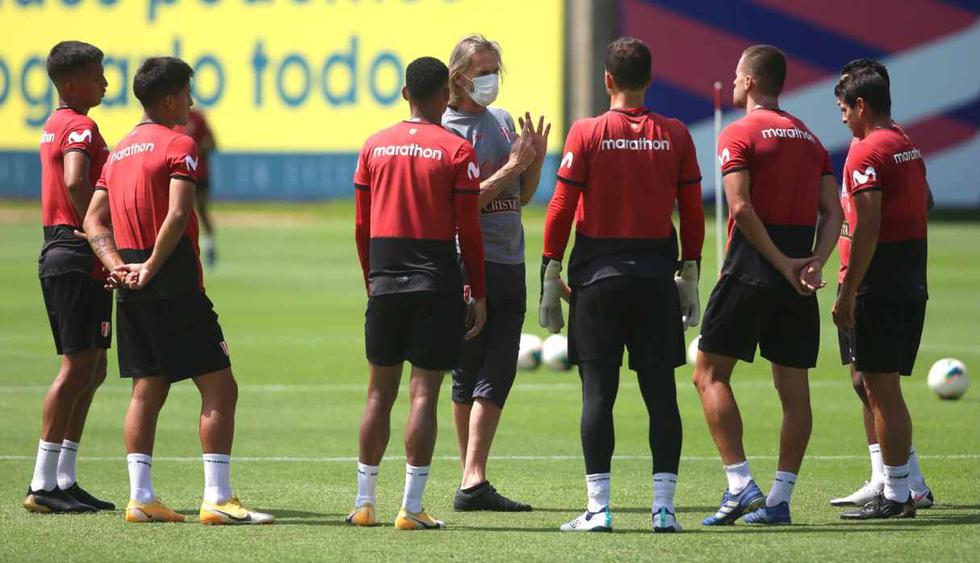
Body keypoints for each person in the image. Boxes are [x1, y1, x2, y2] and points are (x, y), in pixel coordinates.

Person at [83, 56, 273, 525]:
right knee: (220, 387)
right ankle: (218, 498)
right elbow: (178, 214)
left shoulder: (121, 149)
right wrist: (150, 264)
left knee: (147, 389)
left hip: (129, 281)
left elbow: (93, 220)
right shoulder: (178, 144)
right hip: (174, 279)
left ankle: (141, 498)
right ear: (169, 97)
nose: (191, 101)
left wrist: (119, 266)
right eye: (187, 92)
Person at [541, 37, 704, 533]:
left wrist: (550, 269)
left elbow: (561, 207)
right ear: (649, 79)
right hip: (655, 279)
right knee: (662, 397)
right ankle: (664, 510)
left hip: (598, 282)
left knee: (597, 397)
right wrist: (691, 271)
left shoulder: (586, 132)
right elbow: (693, 211)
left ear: (607, 80)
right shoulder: (676, 134)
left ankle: (599, 510)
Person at [693, 45, 842, 526]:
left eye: (736, 75)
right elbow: (834, 212)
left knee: (709, 374)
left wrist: (779, 262)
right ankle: (779, 499)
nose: (732, 82)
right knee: (793, 389)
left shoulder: (738, 133)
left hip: (754, 267)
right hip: (799, 275)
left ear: (751, 81)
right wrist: (813, 262)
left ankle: (740, 486)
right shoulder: (810, 137)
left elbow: (739, 208)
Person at [346, 56, 487, 530]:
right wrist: (478, 292)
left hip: (384, 280)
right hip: (435, 283)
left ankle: (365, 503)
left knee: (376, 396)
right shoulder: (456, 150)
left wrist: (372, 279)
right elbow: (469, 231)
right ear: (445, 96)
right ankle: (410, 508)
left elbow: (362, 225)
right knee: (423, 395)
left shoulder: (373, 146)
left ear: (405, 93)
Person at [443, 33, 549, 513]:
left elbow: (521, 198)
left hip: (509, 258)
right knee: (480, 372)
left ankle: (470, 480)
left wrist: (535, 159)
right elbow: (459, 205)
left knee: (491, 369)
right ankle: (473, 477)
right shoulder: (447, 131)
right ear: (458, 76)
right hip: (469, 262)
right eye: (482, 70)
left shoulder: (503, 121)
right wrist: (512, 166)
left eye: (495, 70)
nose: (489, 79)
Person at [828, 58, 934, 511]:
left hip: (878, 281)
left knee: (881, 388)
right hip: (908, 273)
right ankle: (892, 479)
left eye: (845, 110)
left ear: (862, 105)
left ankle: (898, 491)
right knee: (864, 381)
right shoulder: (905, 143)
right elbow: (924, 200)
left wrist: (849, 291)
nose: (843, 118)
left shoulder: (866, 151)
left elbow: (868, 222)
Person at [25, 40, 115, 515]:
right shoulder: (79, 126)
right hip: (75, 252)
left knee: (93, 368)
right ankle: (42, 482)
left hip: (70, 252)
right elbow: (78, 180)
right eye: (98, 74)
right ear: (71, 83)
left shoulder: (55, 124)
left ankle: (63, 478)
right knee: (77, 367)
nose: (105, 82)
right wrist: (98, 232)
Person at [174, 109, 218, 267]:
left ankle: (210, 245)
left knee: (202, 210)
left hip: (199, 174)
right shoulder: (170, 120)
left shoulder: (197, 118)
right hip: (179, 176)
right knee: (181, 213)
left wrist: (197, 149)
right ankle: (184, 248)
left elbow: (212, 143)